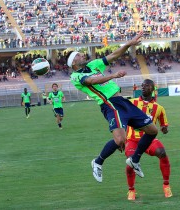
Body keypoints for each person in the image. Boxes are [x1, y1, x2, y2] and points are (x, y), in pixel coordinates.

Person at [67, 32, 158, 183]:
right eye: (78, 55)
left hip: (121, 101)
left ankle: (134, 160)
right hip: (109, 104)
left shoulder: (93, 64)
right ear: (73, 63)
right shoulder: (75, 76)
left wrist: (129, 43)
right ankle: (98, 162)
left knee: (152, 130)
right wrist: (113, 76)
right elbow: (91, 80)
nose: (83, 55)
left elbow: (114, 55)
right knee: (120, 139)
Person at [125, 79, 172, 200]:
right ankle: (131, 190)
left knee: (162, 153)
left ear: (152, 88)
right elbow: (121, 119)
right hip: (132, 140)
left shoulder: (159, 108)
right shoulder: (131, 103)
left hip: (149, 140)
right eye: (142, 85)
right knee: (130, 163)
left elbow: (164, 125)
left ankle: (166, 185)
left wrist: (164, 129)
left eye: (146, 85)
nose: (143, 87)